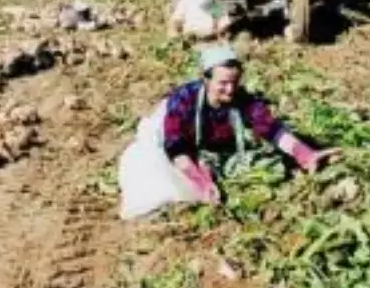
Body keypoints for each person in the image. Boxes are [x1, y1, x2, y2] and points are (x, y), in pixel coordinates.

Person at [117, 44, 338, 219]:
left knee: (265, 167)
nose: (230, 89)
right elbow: (176, 143)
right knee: (164, 183)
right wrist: (199, 181)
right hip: (175, 148)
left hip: (212, 145)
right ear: (205, 79)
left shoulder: (242, 99)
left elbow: (270, 128)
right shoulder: (185, 99)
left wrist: (303, 153)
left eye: (234, 82)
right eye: (223, 83)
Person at [167, 0, 232, 41]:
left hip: (209, 38)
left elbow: (224, 26)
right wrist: (175, 36)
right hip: (190, 37)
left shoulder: (217, 5)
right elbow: (176, 21)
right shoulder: (185, 2)